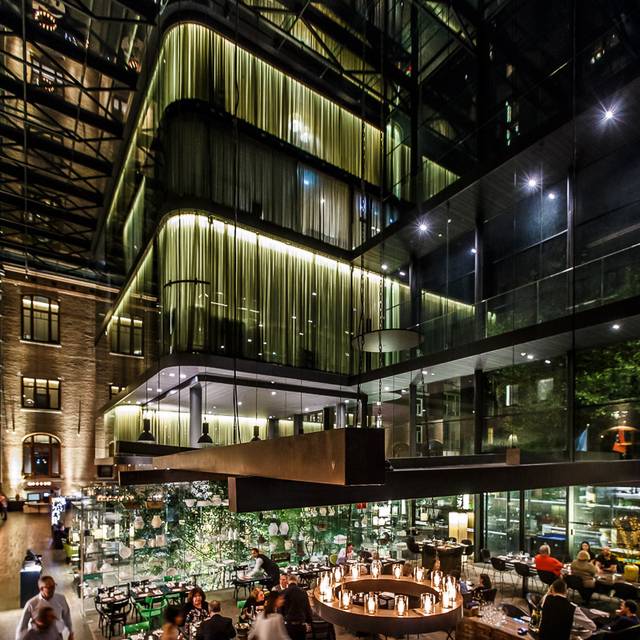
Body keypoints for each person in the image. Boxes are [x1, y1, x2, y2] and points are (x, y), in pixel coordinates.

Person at [16, 576, 73, 640]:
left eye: (53, 586)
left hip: (56, 635)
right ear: (41, 589)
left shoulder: (61, 599)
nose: (53, 589)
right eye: (49, 587)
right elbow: (22, 626)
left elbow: (67, 616)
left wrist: (71, 632)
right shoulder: (31, 604)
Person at [281, 574, 312, 640]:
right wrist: (309, 622)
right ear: (297, 581)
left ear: (288, 581)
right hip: (301, 625)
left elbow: (281, 610)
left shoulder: (283, 592)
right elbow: (307, 609)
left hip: (288, 625)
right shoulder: (303, 592)